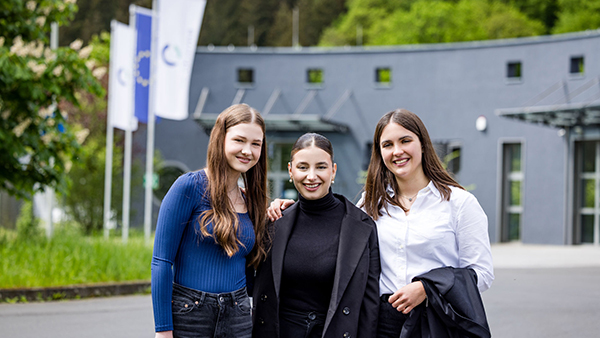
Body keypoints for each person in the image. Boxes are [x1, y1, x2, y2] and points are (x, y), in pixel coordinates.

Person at [268, 109, 494, 337]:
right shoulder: (370, 202)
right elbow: (329, 224)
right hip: (382, 323)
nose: (397, 151)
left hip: (436, 319)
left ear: (423, 144)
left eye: (405, 141)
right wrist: (290, 207)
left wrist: (427, 288)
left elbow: (481, 273)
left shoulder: (459, 203)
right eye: (387, 145)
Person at [151, 104, 268, 338]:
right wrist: (163, 330)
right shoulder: (189, 187)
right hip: (191, 316)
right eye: (239, 140)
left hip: (238, 318)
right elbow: (162, 262)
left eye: (256, 144)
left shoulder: (252, 201)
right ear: (221, 139)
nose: (248, 150)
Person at [253, 133, 380, 338]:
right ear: (290, 171)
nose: (311, 176)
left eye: (321, 167)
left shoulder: (362, 227)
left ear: (333, 171)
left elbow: (369, 303)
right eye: (303, 167)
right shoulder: (275, 221)